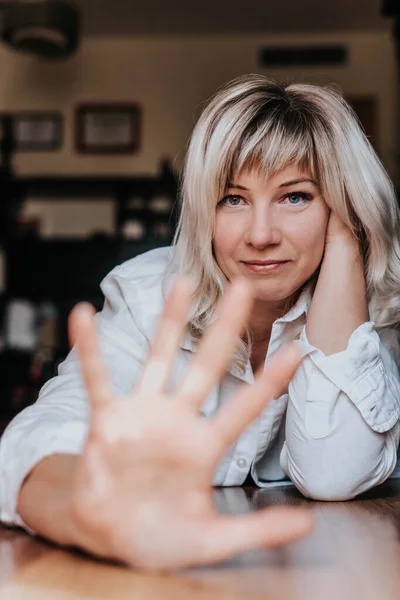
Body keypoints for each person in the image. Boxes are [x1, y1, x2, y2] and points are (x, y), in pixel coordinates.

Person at [1, 74, 400, 569]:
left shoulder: (375, 310)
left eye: (295, 196)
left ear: (343, 207)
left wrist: (346, 242)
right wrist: (89, 509)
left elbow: (334, 474)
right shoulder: (148, 297)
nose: (260, 234)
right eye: (233, 198)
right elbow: (37, 438)